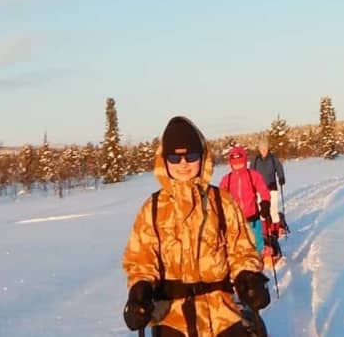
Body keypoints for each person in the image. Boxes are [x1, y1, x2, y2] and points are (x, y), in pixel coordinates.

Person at [121, 116, 270, 337]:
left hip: (222, 315)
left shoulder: (222, 201)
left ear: (202, 157)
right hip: (172, 318)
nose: (183, 164)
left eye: (190, 156)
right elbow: (141, 259)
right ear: (165, 161)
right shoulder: (152, 209)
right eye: (175, 157)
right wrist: (139, 289)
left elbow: (242, 248)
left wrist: (247, 276)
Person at [219, 145, 273, 261]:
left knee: (257, 242)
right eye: (235, 164)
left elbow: (263, 190)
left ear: (244, 162)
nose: (238, 166)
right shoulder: (226, 179)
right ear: (231, 164)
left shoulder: (252, 175)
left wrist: (265, 203)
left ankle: (259, 259)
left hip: (253, 217)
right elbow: (221, 197)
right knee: (237, 244)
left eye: (240, 163)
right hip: (235, 221)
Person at [250, 139, 287, 235]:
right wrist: (250, 184)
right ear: (259, 149)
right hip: (259, 189)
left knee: (273, 209)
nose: (263, 150)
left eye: (265, 148)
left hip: (271, 187)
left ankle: (276, 229)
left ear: (267, 148)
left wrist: (281, 177)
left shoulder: (273, 158)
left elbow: (279, 167)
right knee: (261, 211)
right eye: (261, 148)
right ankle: (264, 230)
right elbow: (251, 172)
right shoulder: (255, 159)